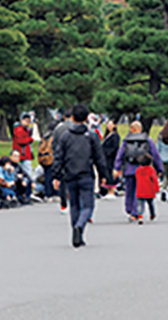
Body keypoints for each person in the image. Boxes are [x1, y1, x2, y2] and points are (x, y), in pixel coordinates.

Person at [52, 104, 109, 248]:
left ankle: (76, 231)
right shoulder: (91, 136)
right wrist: (103, 174)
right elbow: (99, 157)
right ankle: (80, 226)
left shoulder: (66, 137)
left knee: (74, 204)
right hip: (86, 174)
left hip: (70, 174)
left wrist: (56, 176)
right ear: (86, 119)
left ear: (72, 118)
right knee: (88, 205)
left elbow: (59, 157)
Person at [114, 121, 163, 220]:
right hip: (143, 170)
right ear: (140, 129)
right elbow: (155, 155)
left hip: (129, 168)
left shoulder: (126, 140)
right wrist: (159, 168)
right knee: (139, 191)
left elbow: (120, 154)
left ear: (131, 129)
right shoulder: (147, 140)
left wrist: (117, 167)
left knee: (129, 190)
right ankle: (135, 212)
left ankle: (129, 208)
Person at [51, 108, 74, 214]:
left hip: (62, 156)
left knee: (62, 180)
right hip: (74, 157)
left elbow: (54, 143)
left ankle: (63, 204)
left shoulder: (58, 129)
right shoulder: (75, 127)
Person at [135, 153, 159, 223]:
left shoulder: (138, 170)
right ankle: (152, 214)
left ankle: (140, 216)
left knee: (139, 204)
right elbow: (154, 179)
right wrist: (156, 189)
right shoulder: (151, 170)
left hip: (140, 189)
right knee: (150, 203)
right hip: (149, 190)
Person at [12, 114, 35, 181]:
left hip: (25, 154)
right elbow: (20, 141)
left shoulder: (26, 130)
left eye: (29, 121)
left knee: (26, 171)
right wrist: (30, 139)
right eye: (26, 121)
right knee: (26, 172)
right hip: (22, 154)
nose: (28, 122)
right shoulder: (19, 130)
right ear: (21, 120)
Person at [100, 120, 120, 197]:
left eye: (111, 125)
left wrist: (107, 152)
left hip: (111, 157)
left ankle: (111, 190)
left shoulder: (115, 136)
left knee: (111, 173)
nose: (109, 126)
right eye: (108, 124)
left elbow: (114, 147)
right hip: (105, 158)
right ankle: (106, 189)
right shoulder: (107, 135)